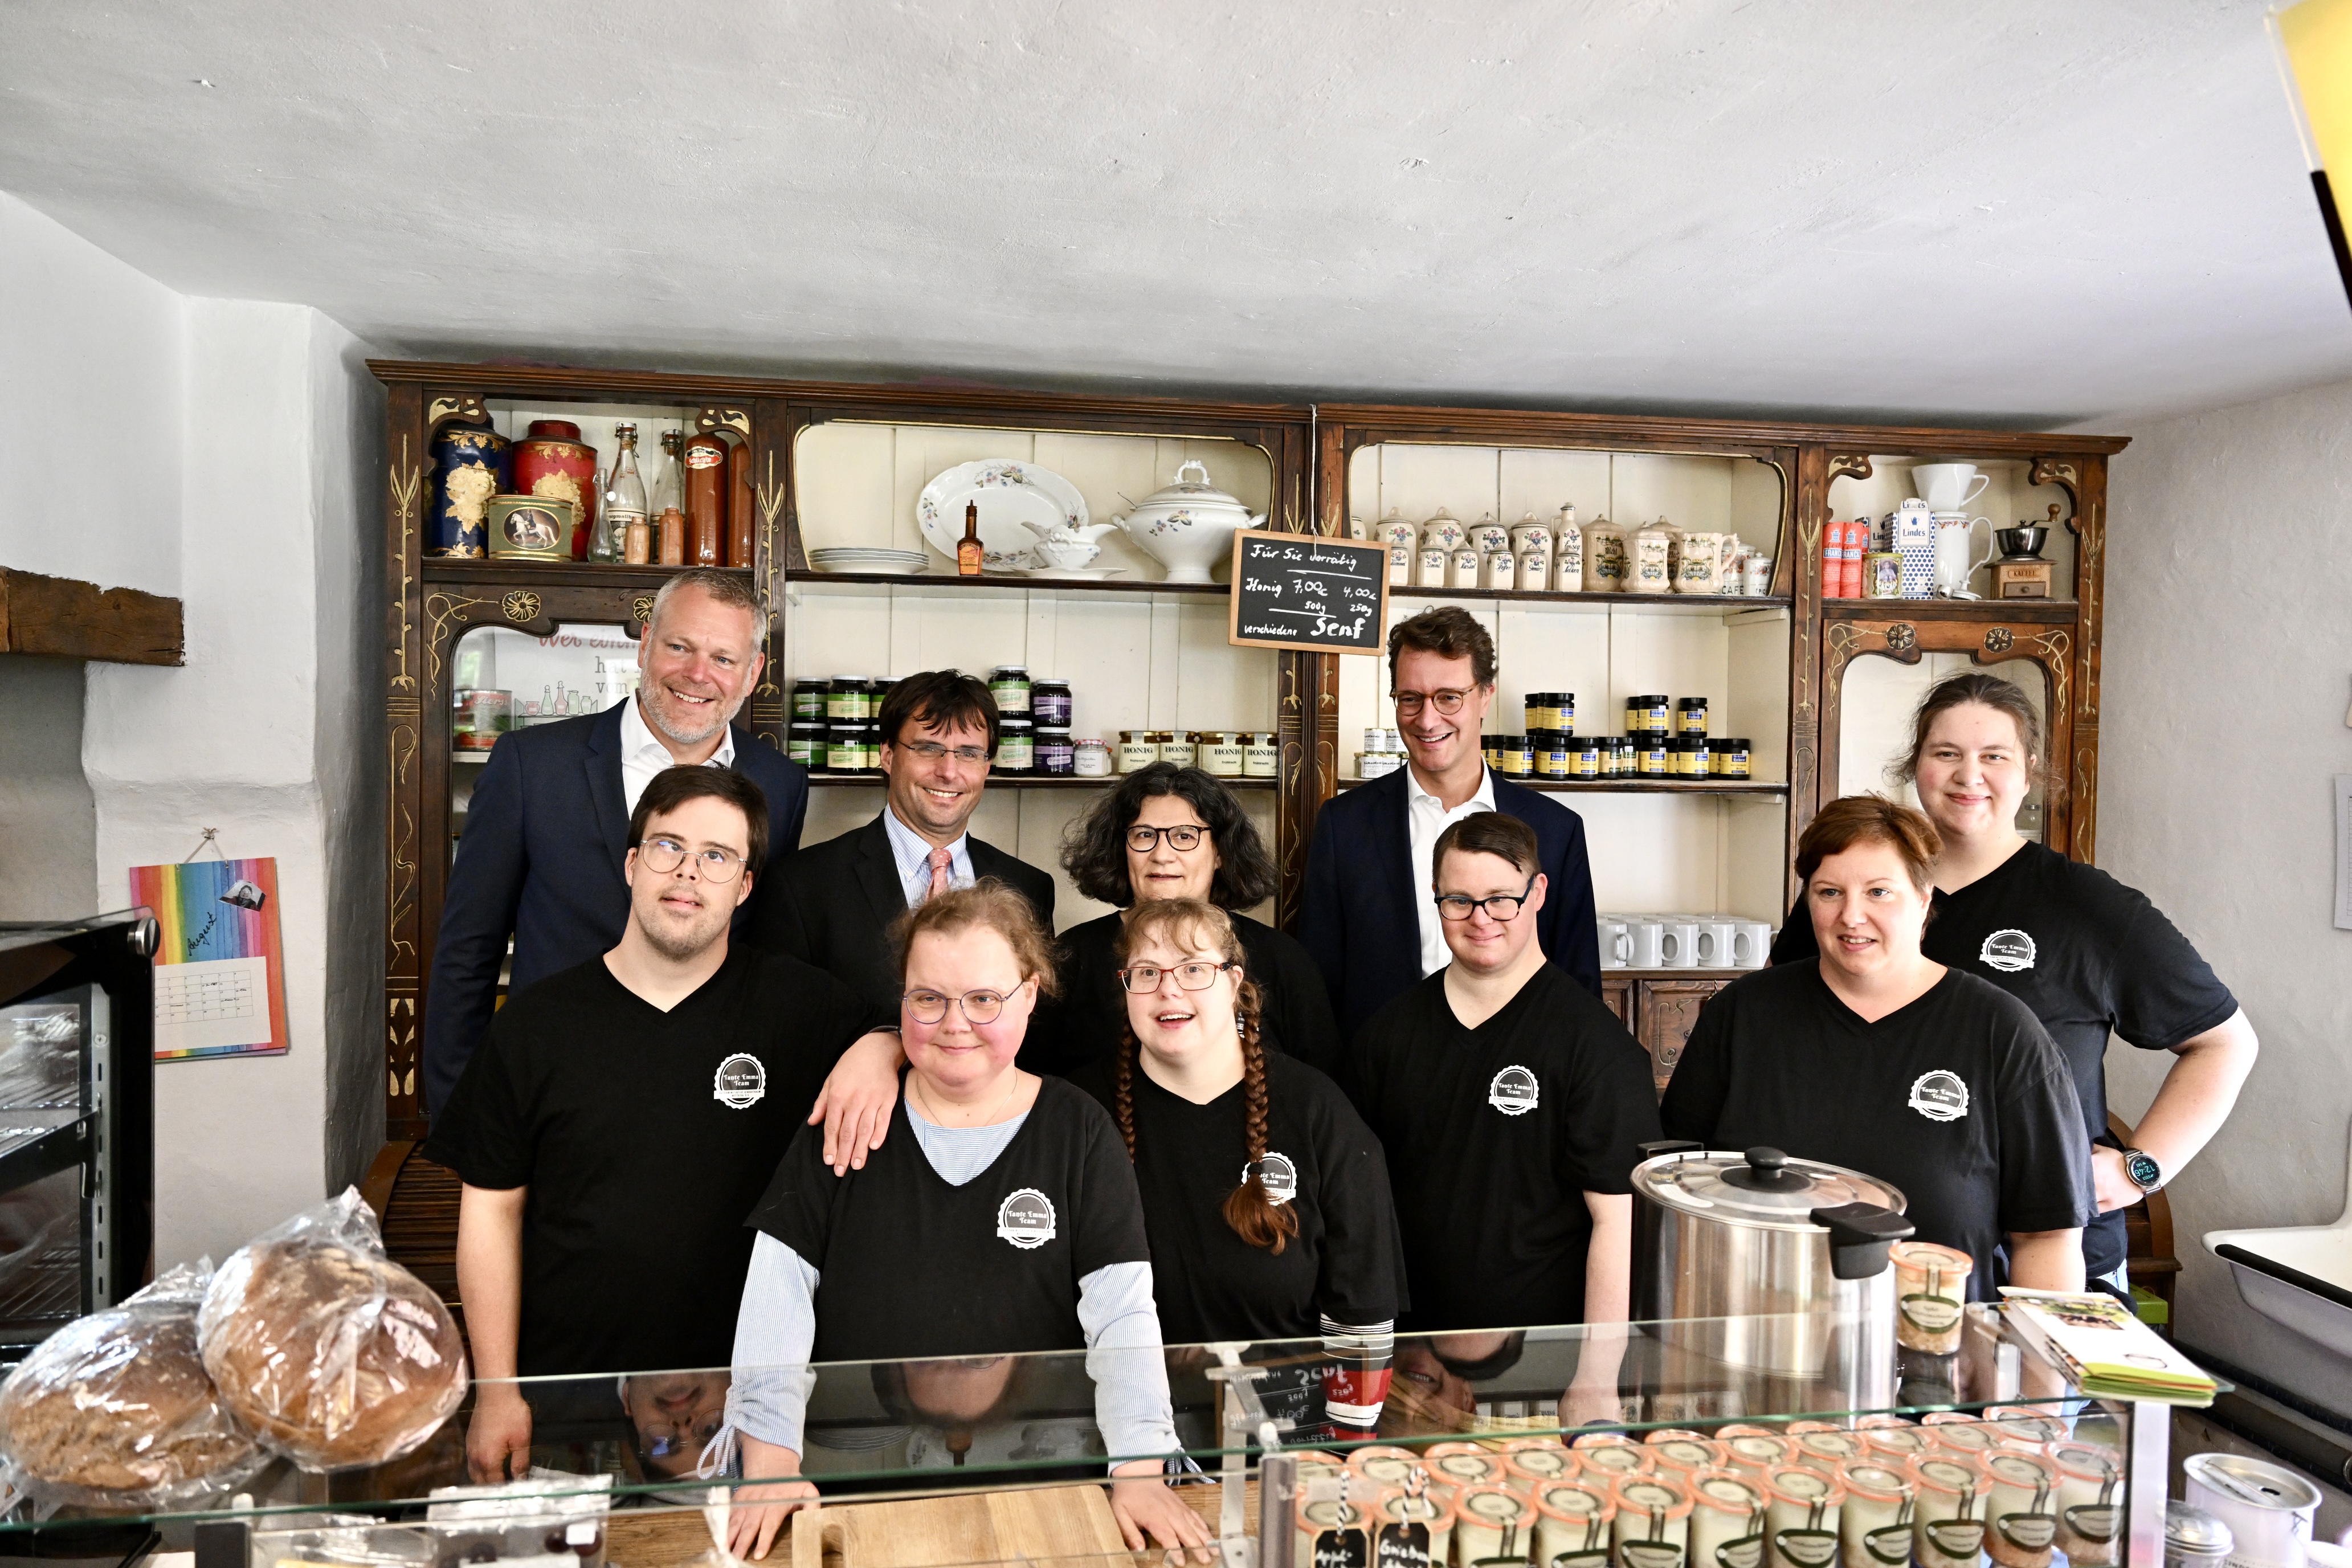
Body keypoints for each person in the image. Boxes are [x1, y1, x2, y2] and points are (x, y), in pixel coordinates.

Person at [424, 767, 900, 1482]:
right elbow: (492, 1214)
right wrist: (497, 1392)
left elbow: (920, 1033)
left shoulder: (798, 1007)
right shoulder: (535, 1026)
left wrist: (881, 1047)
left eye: (717, 855)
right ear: (631, 863)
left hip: (752, 1404)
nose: (688, 872)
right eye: (668, 846)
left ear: (745, 886)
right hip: (568, 1401)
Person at [725, 882, 1209, 1561]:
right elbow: (777, 1294)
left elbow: (1122, 1314)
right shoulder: (850, 1119)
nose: (955, 1023)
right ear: (901, 1000)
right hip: (861, 1501)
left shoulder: (1077, 1130)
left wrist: (1139, 1468)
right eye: (929, 998)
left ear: (1030, 995)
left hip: (1041, 1503)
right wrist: (770, 1460)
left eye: (984, 999)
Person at [1768, 673, 2257, 1295]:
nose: (1968, 775)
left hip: (2045, 1254)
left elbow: (2225, 1043)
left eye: (1994, 756)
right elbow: (1787, 1030)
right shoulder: (1859, 895)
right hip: (1869, 1240)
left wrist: (2141, 1169)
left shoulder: (2088, 907)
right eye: (1946, 752)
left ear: (2029, 773)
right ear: (1916, 766)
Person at [1667, 794, 2096, 1295]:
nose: (1852, 916)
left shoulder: (2002, 1032)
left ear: (1923, 898)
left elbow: (2048, 1238)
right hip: (1757, 1324)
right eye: (1829, 892)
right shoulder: (1741, 1015)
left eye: (1879, 892)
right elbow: (1676, 1188)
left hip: (1933, 1332)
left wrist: (2032, 1347)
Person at [424, 568, 811, 1118]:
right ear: (646, 643)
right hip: (548, 1093)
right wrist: (458, 1116)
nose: (698, 674)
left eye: (724, 659)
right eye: (679, 647)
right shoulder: (531, 766)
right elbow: (468, 951)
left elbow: (764, 954)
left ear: (752, 674)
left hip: (703, 1100)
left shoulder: (780, 785)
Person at [1069, 897, 1403, 1438]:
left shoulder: (1316, 1109)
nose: (1169, 989)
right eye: (1147, 972)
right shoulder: (1079, 1114)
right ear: (1124, 987)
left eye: (1193, 969)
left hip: (1288, 1439)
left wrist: (1337, 1450)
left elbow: (1362, 1303)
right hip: (1123, 1440)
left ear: (1233, 982)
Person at [1348, 811, 1659, 1351]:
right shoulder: (1386, 1036)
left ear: (1537, 893)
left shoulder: (1596, 1046)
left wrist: (1598, 1373)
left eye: (1500, 899)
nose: (1480, 919)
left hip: (1545, 1356)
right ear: (1436, 898)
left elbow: (1619, 1223)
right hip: (1410, 1351)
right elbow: (1353, 1204)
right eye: (1459, 900)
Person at [1301, 606, 1601, 1044]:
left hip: (1520, 1069)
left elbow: (1579, 988)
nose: (1427, 720)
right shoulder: (1343, 826)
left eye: (1449, 697)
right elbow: (1317, 989)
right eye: (1410, 698)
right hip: (1381, 1072)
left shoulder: (1556, 830)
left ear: (1486, 696)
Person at [755, 669, 1055, 1014]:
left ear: (987, 767)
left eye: (969, 753)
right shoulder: (801, 886)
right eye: (928, 748)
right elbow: (781, 1024)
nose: (949, 772)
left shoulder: (1030, 888)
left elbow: (1035, 1025)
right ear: (887, 755)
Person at [1027, 763, 1341, 1076]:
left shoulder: (1282, 960)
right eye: (1144, 835)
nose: (1162, 855)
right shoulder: (1071, 956)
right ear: (1122, 849)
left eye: (1185, 836)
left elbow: (1321, 1084)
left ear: (1221, 853)